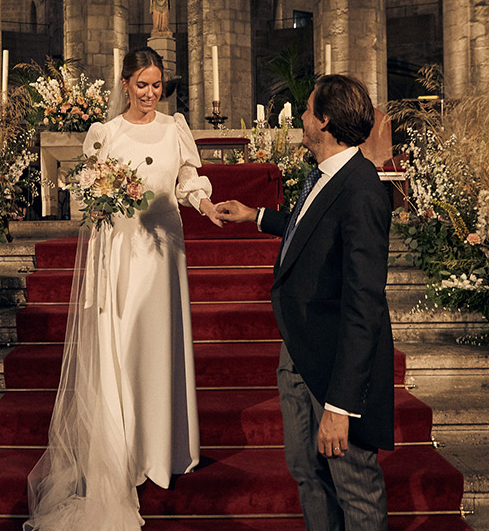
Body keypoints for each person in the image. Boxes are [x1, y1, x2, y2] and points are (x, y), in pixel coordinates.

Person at [25, 47, 222, 530]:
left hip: (163, 250)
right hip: (122, 253)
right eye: (142, 85)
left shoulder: (176, 128)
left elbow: (185, 178)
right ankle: (124, 455)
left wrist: (203, 204)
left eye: (157, 85)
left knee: (159, 348)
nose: (151, 94)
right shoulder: (105, 134)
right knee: (124, 346)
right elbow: (88, 194)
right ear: (125, 83)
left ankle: (164, 450)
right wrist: (104, 198)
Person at [215, 74, 395, 530]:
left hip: (336, 365)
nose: (302, 117)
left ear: (326, 120)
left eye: (309, 110)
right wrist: (256, 215)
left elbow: (364, 304)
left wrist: (340, 405)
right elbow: (308, 229)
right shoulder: (326, 174)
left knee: (353, 484)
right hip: (299, 350)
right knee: (307, 473)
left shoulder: (363, 188)